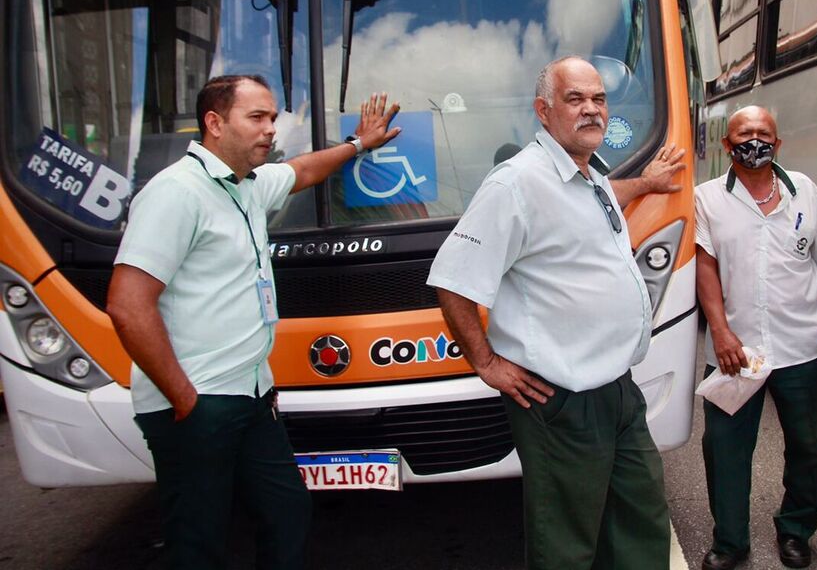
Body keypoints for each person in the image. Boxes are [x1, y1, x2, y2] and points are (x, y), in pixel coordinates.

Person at [106, 74, 400, 570]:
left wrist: (358, 144)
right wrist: (184, 399)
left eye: (273, 118)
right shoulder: (176, 192)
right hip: (197, 403)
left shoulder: (249, 185)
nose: (271, 129)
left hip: (252, 397)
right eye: (257, 118)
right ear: (215, 123)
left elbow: (303, 170)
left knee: (286, 513)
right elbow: (128, 306)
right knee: (198, 541)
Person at [427, 55, 685, 570]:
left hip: (617, 389)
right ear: (544, 111)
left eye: (599, 99)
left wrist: (648, 184)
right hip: (563, 400)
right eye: (575, 100)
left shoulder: (589, 176)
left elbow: (600, 199)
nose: (591, 110)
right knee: (567, 544)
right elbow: (452, 280)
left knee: (640, 520)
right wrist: (487, 363)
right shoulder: (515, 184)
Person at [694, 106, 817, 570]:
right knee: (724, 449)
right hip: (734, 350)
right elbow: (706, 267)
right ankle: (730, 540)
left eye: (763, 134)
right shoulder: (707, 198)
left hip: (801, 346)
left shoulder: (807, 195)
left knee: (807, 445)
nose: (753, 141)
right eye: (744, 134)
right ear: (727, 145)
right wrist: (719, 331)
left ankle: (796, 529)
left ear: (777, 144)